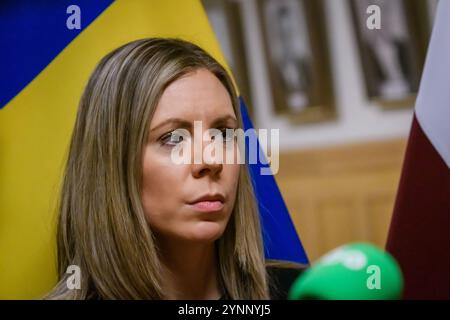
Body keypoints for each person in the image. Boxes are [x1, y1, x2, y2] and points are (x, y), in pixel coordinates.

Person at [45, 38, 305, 300]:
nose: (211, 161)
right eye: (174, 138)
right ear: (113, 163)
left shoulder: (302, 292)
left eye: (224, 133)